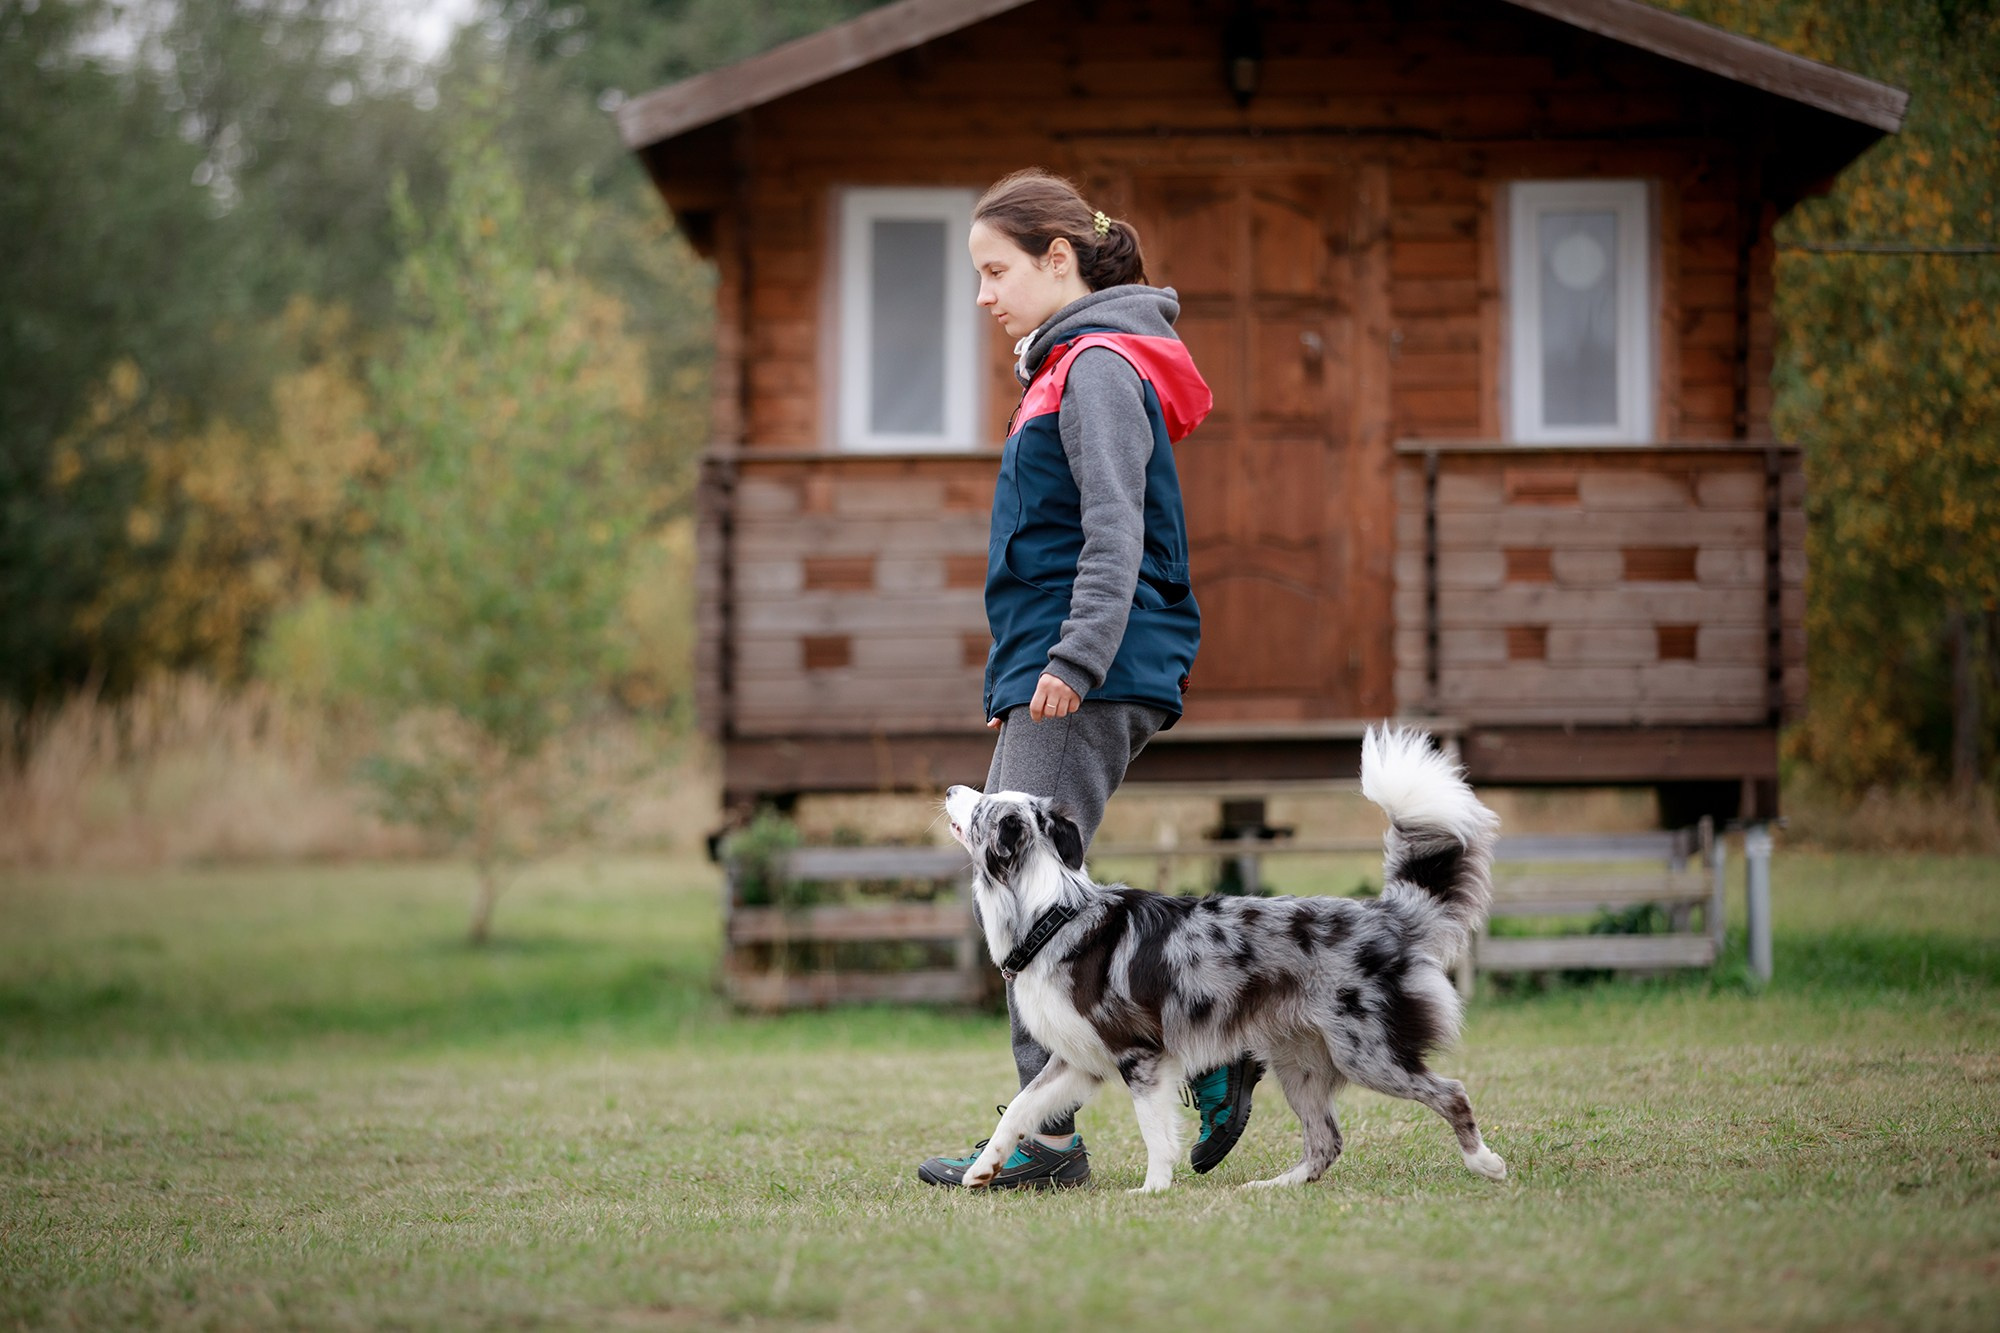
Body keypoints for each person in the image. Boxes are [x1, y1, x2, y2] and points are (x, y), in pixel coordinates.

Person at [917, 169, 1261, 1190]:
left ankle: (1046, 1136)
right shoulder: (1068, 363)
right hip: (1070, 661)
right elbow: (1046, 542)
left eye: (995, 270)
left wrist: (1065, 662)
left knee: (1024, 903)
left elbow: (1114, 532)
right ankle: (1207, 1038)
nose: (982, 294)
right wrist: (1021, 671)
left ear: (1056, 258)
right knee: (1048, 899)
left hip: (1095, 662)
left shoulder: (1097, 364)